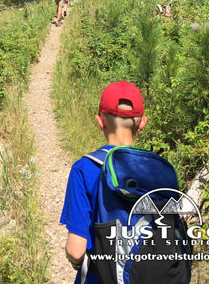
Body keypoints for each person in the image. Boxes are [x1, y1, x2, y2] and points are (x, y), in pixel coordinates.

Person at [60, 81, 148, 283]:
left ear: (100, 121)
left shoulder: (84, 169)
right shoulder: (160, 170)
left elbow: (75, 250)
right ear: (142, 123)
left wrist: (78, 262)